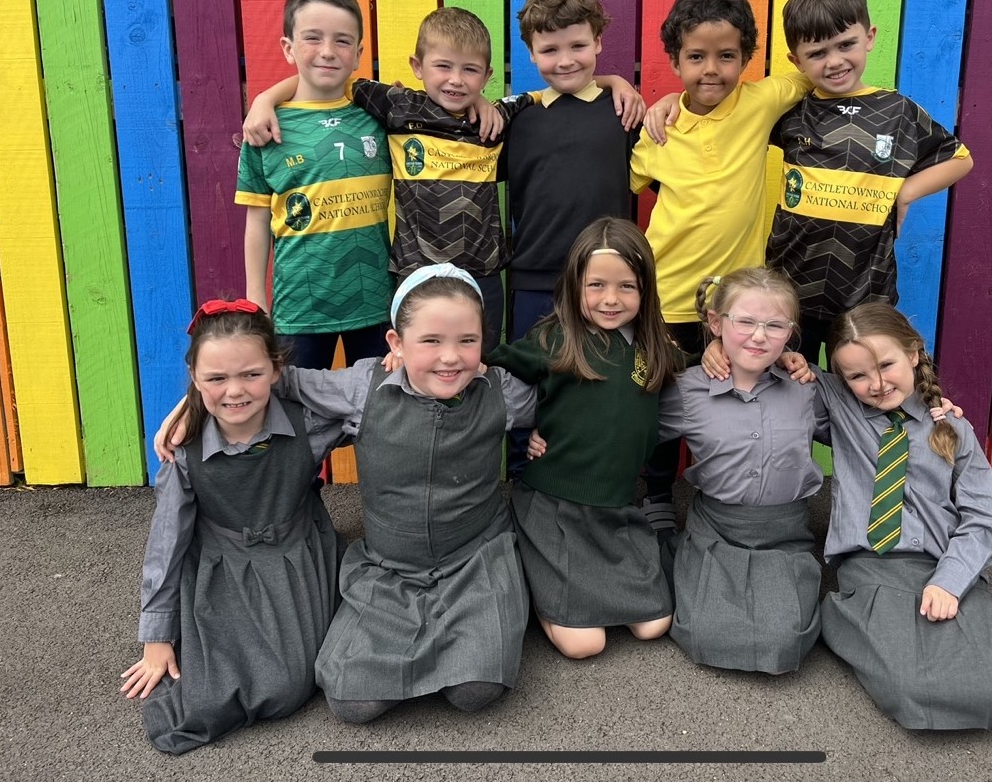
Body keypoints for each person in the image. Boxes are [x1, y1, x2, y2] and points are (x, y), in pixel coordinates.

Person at [245, 6, 643, 354]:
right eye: (443, 67)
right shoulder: (397, 107)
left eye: (470, 70)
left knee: (483, 367)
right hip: (416, 272)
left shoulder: (498, 118)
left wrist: (614, 81)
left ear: (486, 76)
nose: (456, 80)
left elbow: (553, 95)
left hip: (483, 274)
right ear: (417, 67)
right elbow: (330, 79)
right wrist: (266, 98)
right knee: (420, 369)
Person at [271, 265, 536, 721]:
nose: (450, 357)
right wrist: (194, 406)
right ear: (396, 342)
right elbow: (280, 380)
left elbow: (565, 397)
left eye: (467, 341)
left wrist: (546, 432)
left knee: (476, 690)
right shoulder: (364, 386)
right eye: (430, 341)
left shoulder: (501, 391)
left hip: (476, 557)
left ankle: (468, 633)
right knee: (352, 702)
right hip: (390, 565)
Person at [121, 300, 347, 754]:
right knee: (211, 694)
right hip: (221, 562)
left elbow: (374, 403)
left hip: (296, 552)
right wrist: (157, 637)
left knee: (288, 687)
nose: (235, 391)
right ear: (194, 378)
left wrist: (400, 364)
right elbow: (165, 544)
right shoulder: (183, 451)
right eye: (216, 379)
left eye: (251, 374)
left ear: (277, 369)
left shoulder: (310, 424)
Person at [629, 0, 811, 531]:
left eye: (726, 56)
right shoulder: (660, 130)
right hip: (665, 295)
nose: (711, 69)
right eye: (696, 57)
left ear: (747, 57)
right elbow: (625, 181)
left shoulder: (762, 101)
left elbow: (813, 72)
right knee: (661, 396)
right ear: (675, 61)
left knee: (732, 393)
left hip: (735, 304)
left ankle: (733, 495)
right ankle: (656, 491)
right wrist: (660, 103)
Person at [816, 302, 992, 730]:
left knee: (987, 692)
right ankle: (843, 619)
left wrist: (949, 582)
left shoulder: (953, 428)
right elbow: (763, 355)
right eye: (857, 376)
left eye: (886, 365)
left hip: (942, 562)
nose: (876, 384)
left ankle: (975, 622)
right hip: (872, 566)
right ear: (842, 379)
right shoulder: (838, 404)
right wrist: (726, 348)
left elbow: (984, 518)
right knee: (912, 688)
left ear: (913, 352)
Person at [488, 218, 682, 659]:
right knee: (584, 644)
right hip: (555, 509)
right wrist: (531, 427)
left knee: (655, 625)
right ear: (574, 284)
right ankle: (535, 577)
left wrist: (718, 351)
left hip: (616, 512)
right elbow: (491, 369)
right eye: (596, 285)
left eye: (626, 287)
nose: (610, 299)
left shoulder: (654, 347)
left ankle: (585, 589)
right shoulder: (553, 340)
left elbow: (696, 365)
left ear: (646, 290)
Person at [765, 0, 972, 359]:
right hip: (790, 292)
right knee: (786, 386)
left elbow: (960, 158)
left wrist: (905, 192)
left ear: (870, 37)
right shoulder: (791, 111)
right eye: (817, 53)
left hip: (865, 295)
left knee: (861, 387)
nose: (835, 61)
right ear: (796, 60)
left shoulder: (897, 112)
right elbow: (732, 125)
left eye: (846, 44)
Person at [500, 0, 644, 477]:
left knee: (604, 381)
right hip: (534, 277)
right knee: (526, 383)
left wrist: (617, 83)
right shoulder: (517, 117)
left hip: (606, 282)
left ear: (599, 42)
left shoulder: (623, 114)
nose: (565, 60)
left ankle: (598, 481)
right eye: (550, 50)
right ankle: (523, 481)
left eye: (578, 46)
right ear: (530, 53)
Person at [656, 267, 824, 674]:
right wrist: (546, 436)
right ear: (716, 323)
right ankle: (668, 547)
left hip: (785, 535)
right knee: (705, 633)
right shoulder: (686, 389)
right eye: (745, 322)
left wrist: (935, 410)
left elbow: (867, 415)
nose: (759, 336)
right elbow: (626, 427)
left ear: (791, 333)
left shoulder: (806, 386)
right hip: (717, 530)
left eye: (775, 326)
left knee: (784, 642)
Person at [236, 0, 395, 369]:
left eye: (342, 41)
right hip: (300, 307)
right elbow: (257, 221)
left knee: (378, 402)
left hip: (375, 301)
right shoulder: (266, 129)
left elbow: (441, 103)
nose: (327, 51)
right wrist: (256, 297)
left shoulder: (379, 114)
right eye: (312, 38)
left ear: (358, 54)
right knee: (298, 404)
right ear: (288, 47)